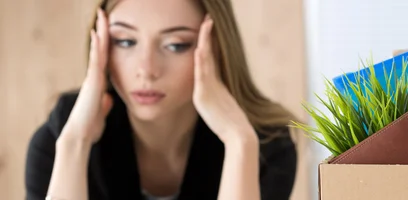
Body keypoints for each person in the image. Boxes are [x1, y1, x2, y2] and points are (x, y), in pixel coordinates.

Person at [24, 0, 298, 199]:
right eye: (125, 41)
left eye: (175, 45)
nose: (146, 69)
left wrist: (239, 144)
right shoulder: (62, 137)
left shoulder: (266, 145)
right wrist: (75, 145)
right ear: (102, 44)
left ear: (217, 48)